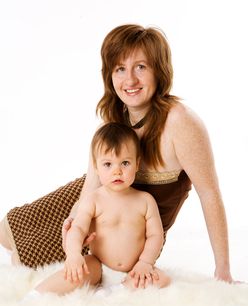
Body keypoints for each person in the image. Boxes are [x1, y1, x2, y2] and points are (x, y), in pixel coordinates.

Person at [0, 23, 233, 283]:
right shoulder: (113, 119)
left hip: (129, 230)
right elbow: (90, 188)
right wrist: (74, 222)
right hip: (96, 203)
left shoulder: (181, 122)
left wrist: (222, 270)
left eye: (141, 67)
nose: (130, 80)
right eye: (120, 69)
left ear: (159, 71)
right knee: (9, 230)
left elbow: (209, 193)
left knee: (25, 261)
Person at [32, 122, 171, 295]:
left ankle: (116, 291)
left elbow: (156, 235)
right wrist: (74, 254)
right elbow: (78, 228)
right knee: (72, 274)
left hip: (134, 268)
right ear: (96, 167)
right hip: (98, 264)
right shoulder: (94, 200)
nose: (117, 171)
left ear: (137, 164)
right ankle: (36, 296)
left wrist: (146, 262)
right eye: (108, 164)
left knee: (163, 279)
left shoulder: (145, 201)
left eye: (125, 163)